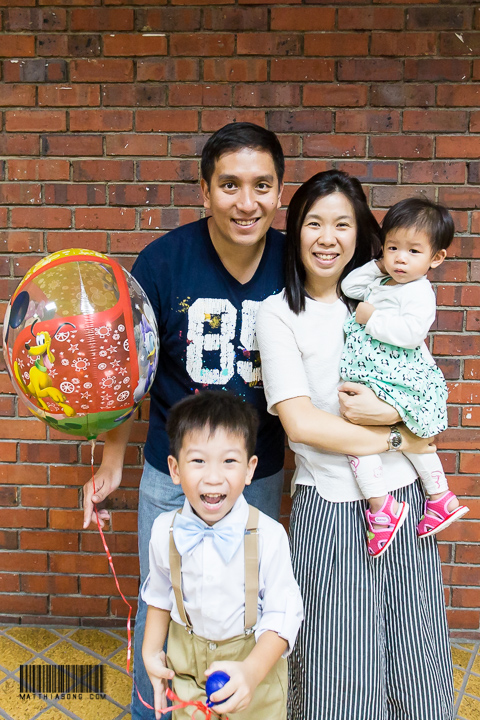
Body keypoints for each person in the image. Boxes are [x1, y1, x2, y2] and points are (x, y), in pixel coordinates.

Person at [82, 122, 289, 719]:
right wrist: (113, 461)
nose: (246, 202)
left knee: (244, 605)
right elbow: (131, 370)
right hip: (171, 470)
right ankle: (154, 711)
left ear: (279, 192)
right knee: (162, 600)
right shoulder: (162, 262)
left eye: (261, 186)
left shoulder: (294, 262)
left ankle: (233, 705)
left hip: (256, 469)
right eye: (229, 185)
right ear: (204, 190)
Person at [256, 170, 454, 720]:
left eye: (342, 224)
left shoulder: (383, 300)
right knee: (338, 666)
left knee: (416, 656)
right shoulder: (279, 313)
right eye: (314, 224)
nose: (328, 238)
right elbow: (301, 424)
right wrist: (398, 433)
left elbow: (425, 392)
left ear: (361, 232)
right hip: (332, 505)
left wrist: (398, 417)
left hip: (405, 502)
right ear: (295, 231)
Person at [141, 390, 303, 720]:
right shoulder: (164, 531)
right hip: (188, 679)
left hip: (254, 677)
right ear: (174, 469)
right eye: (198, 461)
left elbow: (283, 615)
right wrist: (151, 651)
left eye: (229, 461)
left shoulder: (269, 536)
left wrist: (252, 673)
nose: (213, 477)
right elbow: (159, 595)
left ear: (249, 469)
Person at [340, 197, 468, 558]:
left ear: (436, 258)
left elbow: (412, 334)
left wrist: (371, 318)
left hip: (394, 375)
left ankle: (383, 507)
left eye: (413, 251)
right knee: (409, 435)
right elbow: (349, 287)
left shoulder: (419, 291)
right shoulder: (384, 279)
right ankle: (439, 497)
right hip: (378, 373)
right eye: (393, 247)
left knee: (360, 437)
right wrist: (378, 264)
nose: (400, 258)